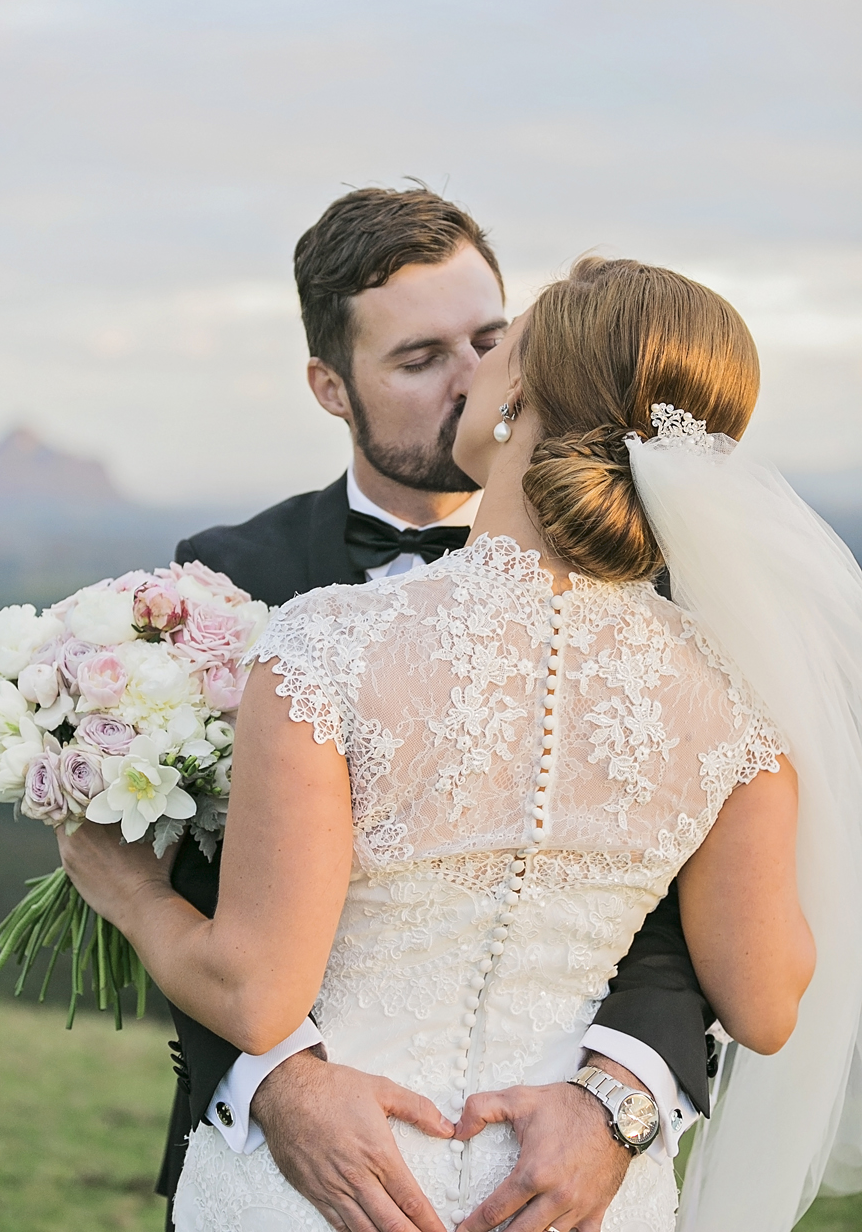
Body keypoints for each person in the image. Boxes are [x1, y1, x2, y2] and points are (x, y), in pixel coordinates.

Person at [59, 250, 827, 1230]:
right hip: (575, 1208)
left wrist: (131, 895)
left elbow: (254, 994)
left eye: (499, 344)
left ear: (516, 399)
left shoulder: (326, 643)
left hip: (327, 1203)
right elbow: (764, 1005)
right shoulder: (732, 700)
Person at [159, 193, 714, 1232]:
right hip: (281, 1176)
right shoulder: (226, 583)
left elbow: (685, 912)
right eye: (417, 360)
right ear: (332, 387)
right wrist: (277, 1078)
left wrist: (623, 1097)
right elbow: (195, 877)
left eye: (488, 340)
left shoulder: (665, 591)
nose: (469, 381)